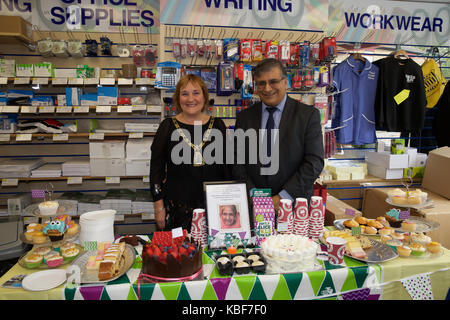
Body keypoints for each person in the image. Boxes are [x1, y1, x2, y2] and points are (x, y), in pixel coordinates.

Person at [233, 58, 324, 210]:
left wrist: (282, 198)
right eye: (261, 83)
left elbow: (314, 162)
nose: (267, 88)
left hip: (293, 206)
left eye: (273, 81)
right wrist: (254, 195)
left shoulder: (308, 115)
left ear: (285, 82)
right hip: (253, 206)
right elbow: (237, 162)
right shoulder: (244, 118)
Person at [150, 74, 230, 231]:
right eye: (184, 93)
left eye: (196, 93)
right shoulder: (167, 127)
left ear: (204, 96)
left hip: (213, 206)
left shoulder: (218, 125)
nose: (190, 99)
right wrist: (158, 206)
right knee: (179, 253)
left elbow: (227, 168)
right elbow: (156, 169)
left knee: (213, 252)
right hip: (177, 208)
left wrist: (231, 200)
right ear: (178, 98)